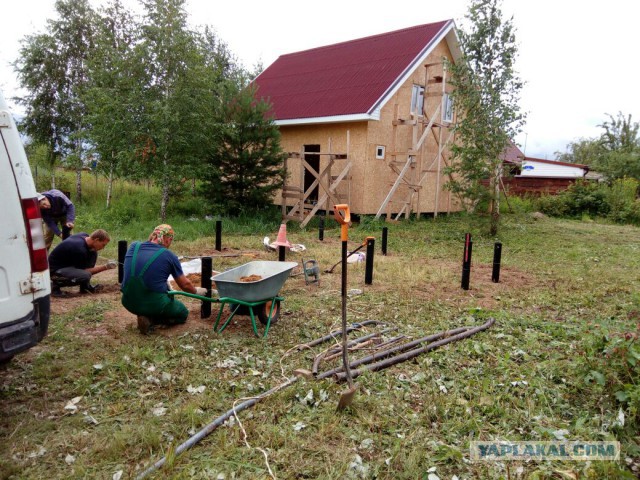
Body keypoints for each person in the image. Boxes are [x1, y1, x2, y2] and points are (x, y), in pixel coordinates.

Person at [121, 224, 207, 334]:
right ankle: (153, 319)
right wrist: (196, 291)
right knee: (182, 312)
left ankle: (144, 314)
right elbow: (184, 285)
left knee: (148, 297)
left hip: (128, 301)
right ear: (166, 239)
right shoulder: (169, 255)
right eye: (170, 239)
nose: (170, 243)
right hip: (154, 303)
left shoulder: (134, 246)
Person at [48, 229, 115, 297]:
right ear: (96, 240)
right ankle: (55, 286)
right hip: (54, 270)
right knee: (85, 275)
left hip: (66, 265)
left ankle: (85, 287)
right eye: (103, 245)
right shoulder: (80, 250)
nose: (103, 248)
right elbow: (85, 271)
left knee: (93, 252)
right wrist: (106, 267)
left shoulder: (84, 236)